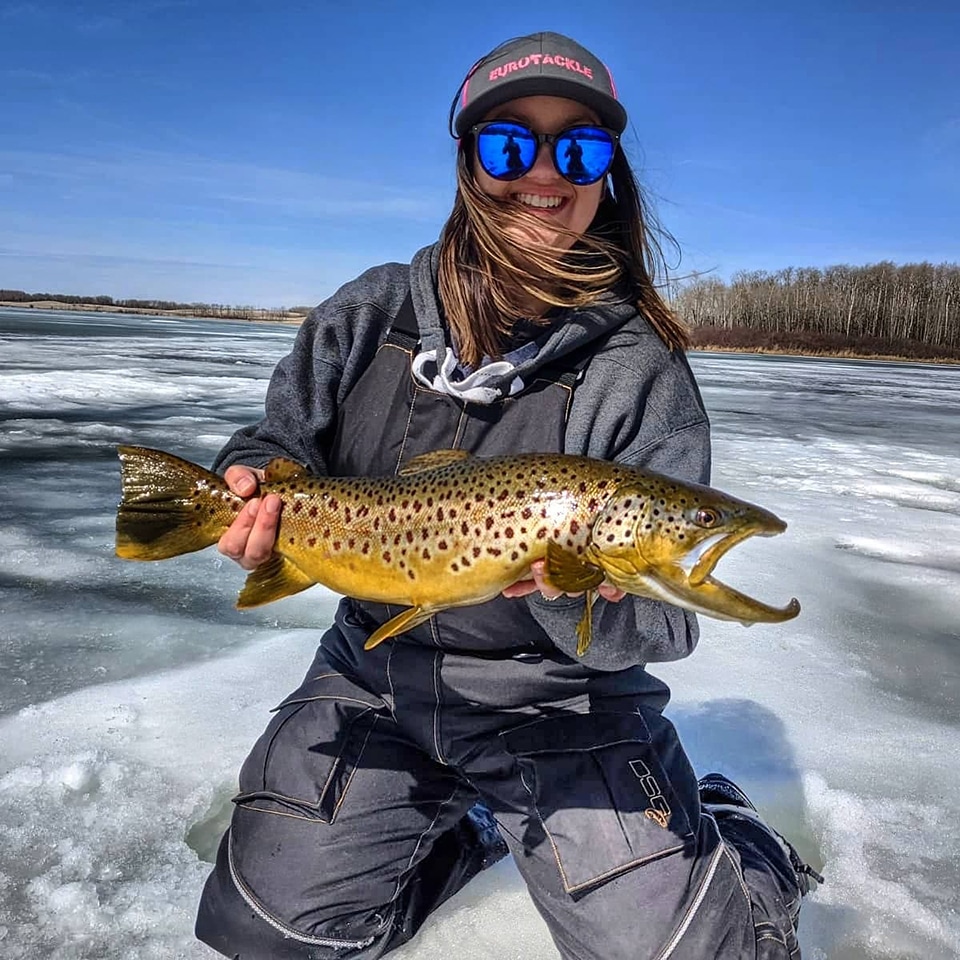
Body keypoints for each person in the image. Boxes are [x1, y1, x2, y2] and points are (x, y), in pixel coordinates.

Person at [195, 30, 819, 960]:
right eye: (507, 143)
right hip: (375, 673)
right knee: (267, 931)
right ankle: (453, 834)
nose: (544, 172)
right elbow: (279, 440)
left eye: (579, 148)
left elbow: (670, 624)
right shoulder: (369, 314)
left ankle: (744, 843)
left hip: (564, 708)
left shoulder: (638, 371)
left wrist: (593, 608)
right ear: (467, 164)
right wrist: (246, 485)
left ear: (607, 173)